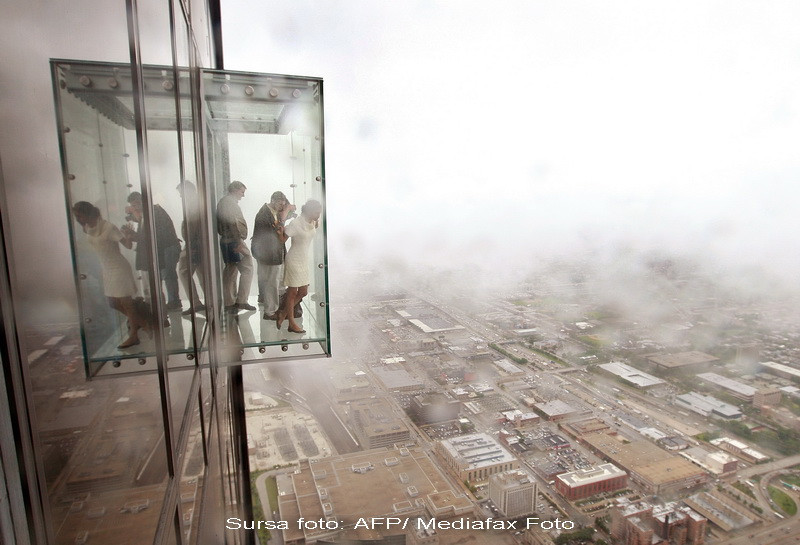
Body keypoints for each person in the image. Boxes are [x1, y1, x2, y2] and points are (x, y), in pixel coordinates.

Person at [72, 201, 149, 349]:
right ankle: (142, 322)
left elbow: (128, 245)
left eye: (79, 215)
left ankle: (134, 335)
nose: (78, 219)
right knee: (112, 302)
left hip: (119, 268)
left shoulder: (108, 227)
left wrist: (127, 235)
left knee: (126, 302)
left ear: (87, 213)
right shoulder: (87, 228)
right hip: (107, 269)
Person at [121, 192, 182, 312]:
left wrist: (133, 230)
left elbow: (152, 234)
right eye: (133, 205)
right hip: (165, 247)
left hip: (168, 247)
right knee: (166, 276)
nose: (136, 208)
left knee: (168, 275)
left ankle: (173, 302)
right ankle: (171, 303)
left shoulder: (154, 211)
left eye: (137, 204)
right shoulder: (148, 212)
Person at [276, 199, 322, 334]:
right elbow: (283, 239)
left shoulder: (312, 221)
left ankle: (283, 315)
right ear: (309, 211)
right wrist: (279, 233)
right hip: (294, 260)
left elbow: (314, 228)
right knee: (292, 293)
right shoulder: (296, 223)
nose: (319, 215)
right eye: (317, 212)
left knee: (303, 292)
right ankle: (291, 323)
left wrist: (316, 221)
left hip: (303, 260)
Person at [251, 191, 295, 320]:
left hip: (271, 253)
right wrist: (286, 212)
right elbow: (276, 231)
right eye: (281, 205)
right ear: (274, 201)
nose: (282, 208)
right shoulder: (264, 214)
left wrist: (288, 211)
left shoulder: (271, 212)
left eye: (283, 206)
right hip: (269, 254)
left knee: (275, 282)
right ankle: (270, 312)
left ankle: (273, 308)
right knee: (272, 283)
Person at [217, 181, 255, 312]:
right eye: (242, 192)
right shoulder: (229, 203)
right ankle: (239, 301)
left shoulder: (224, 202)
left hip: (229, 240)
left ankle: (231, 302)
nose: (243, 195)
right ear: (234, 190)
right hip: (233, 240)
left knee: (231, 270)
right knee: (245, 268)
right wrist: (239, 242)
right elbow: (233, 222)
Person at [176, 181, 206, 315]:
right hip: (198, 244)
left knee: (183, 271)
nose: (181, 196)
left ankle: (196, 303)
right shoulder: (197, 203)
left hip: (193, 244)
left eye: (181, 193)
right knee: (202, 273)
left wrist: (191, 244)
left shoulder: (193, 204)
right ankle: (208, 302)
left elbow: (192, 227)